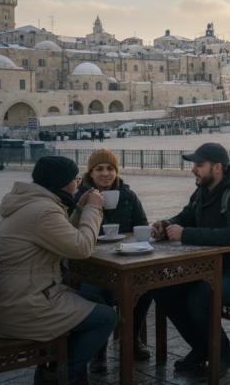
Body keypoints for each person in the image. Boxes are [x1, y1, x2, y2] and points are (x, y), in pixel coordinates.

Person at [0, 156, 116, 384]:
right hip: (25, 308)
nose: (77, 183)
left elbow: (63, 237)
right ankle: (63, 375)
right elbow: (82, 247)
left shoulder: (29, 202)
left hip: (13, 301)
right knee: (107, 317)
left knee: (96, 299)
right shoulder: (43, 211)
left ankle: (55, 366)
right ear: (63, 182)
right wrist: (94, 209)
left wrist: (80, 207)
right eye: (75, 179)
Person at [151, 143, 230, 375]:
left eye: (199, 165)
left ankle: (222, 355)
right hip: (212, 267)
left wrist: (185, 234)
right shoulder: (202, 191)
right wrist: (165, 225)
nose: (193, 170)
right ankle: (203, 347)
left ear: (217, 168)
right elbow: (185, 216)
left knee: (200, 297)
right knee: (163, 291)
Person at [75, 149, 152, 361]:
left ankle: (132, 339)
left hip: (123, 260)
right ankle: (98, 350)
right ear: (90, 173)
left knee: (145, 289)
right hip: (90, 265)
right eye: (99, 169)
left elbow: (142, 225)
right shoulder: (80, 197)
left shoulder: (127, 196)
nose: (106, 173)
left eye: (110, 168)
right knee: (98, 291)